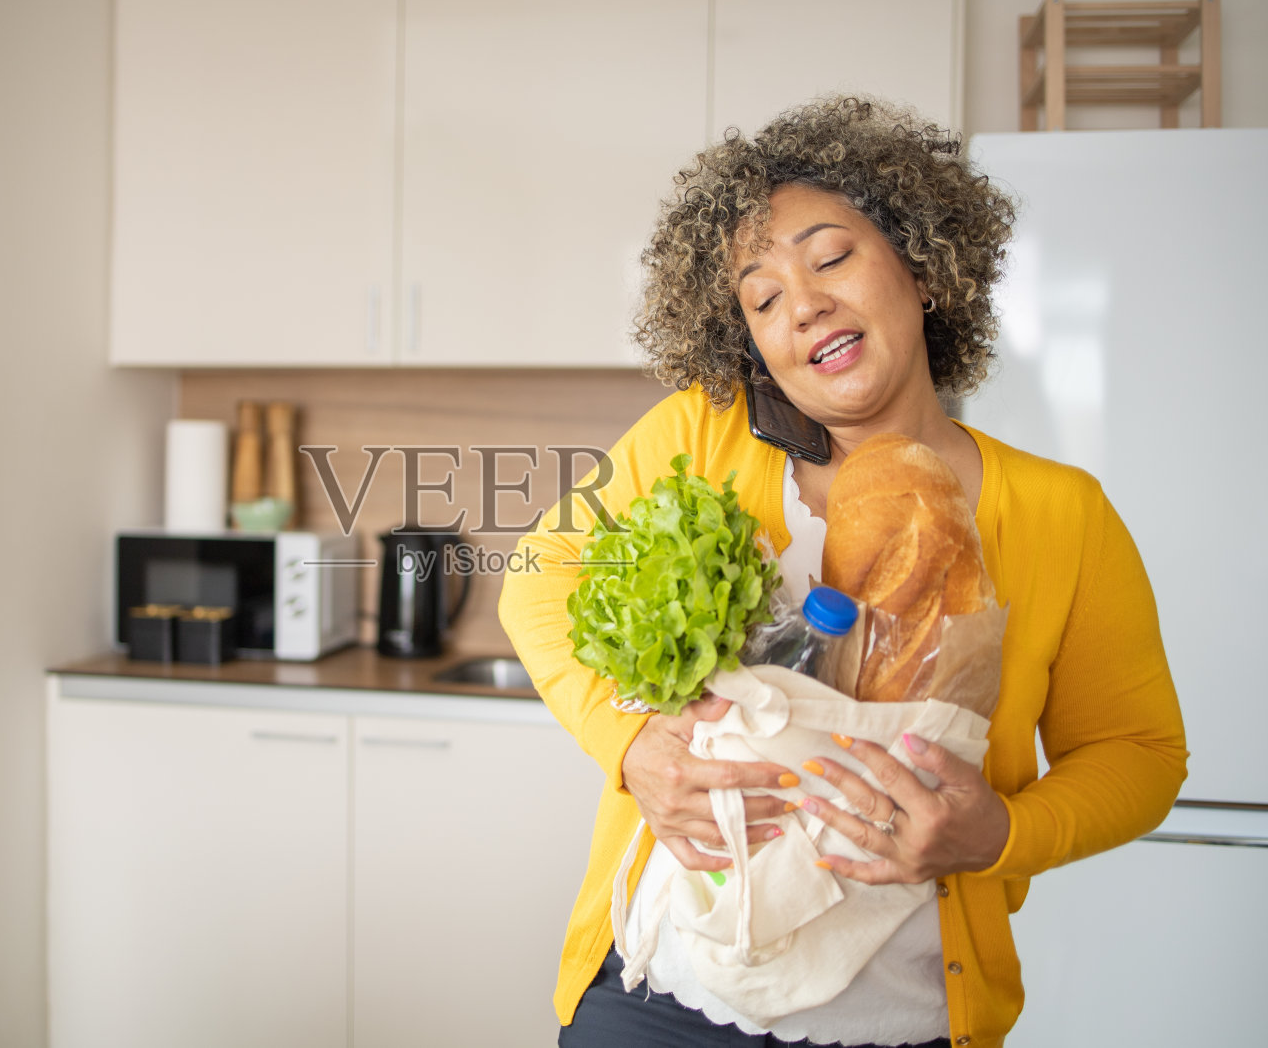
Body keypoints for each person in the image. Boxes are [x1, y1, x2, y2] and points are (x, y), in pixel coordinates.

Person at [498, 96, 1187, 1048]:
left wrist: (999, 837)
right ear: (755, 349)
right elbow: (539, 572)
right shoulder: (702, 434)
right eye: (763, 298)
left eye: (830, 259)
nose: (805, 303)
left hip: (901, 1021)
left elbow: (1141, 753)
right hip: (658, 999)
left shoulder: (1059, 511)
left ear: (924, 266)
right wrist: (632, 745)